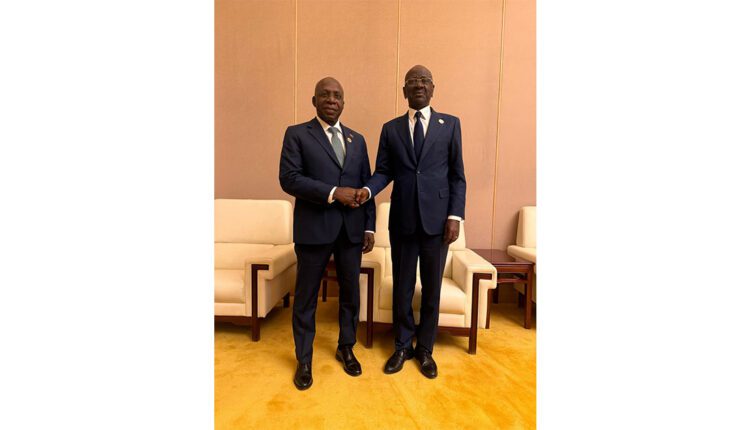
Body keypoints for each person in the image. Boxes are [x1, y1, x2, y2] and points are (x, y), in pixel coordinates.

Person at [356, 65, 466, 379]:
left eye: (424, 80)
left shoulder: (450, 125)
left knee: (431, 289)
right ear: (404, 91)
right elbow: (383, 171)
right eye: (412, 81)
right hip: (402, 222)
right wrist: (367, 190)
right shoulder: (391, 129)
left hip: (438, 225)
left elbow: (457, 176)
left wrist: (454, 216)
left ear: (433, 88)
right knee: (403, 287)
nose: (419, 85)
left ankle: (425, 349)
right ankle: (402, 345)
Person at [279, 77, 375, 390]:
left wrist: (369, 225)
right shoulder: (297, 134)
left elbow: (366, 185)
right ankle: (304, 359)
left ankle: (346, 347)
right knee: (306, 297)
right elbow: (289, 178)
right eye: (325, 95)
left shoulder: (357, 140)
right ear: (314, 100)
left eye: (337, 96)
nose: (332, 100)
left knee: (350, 293)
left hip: (351, 231)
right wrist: (333, 192)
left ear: (343, 102)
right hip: (313, 230)